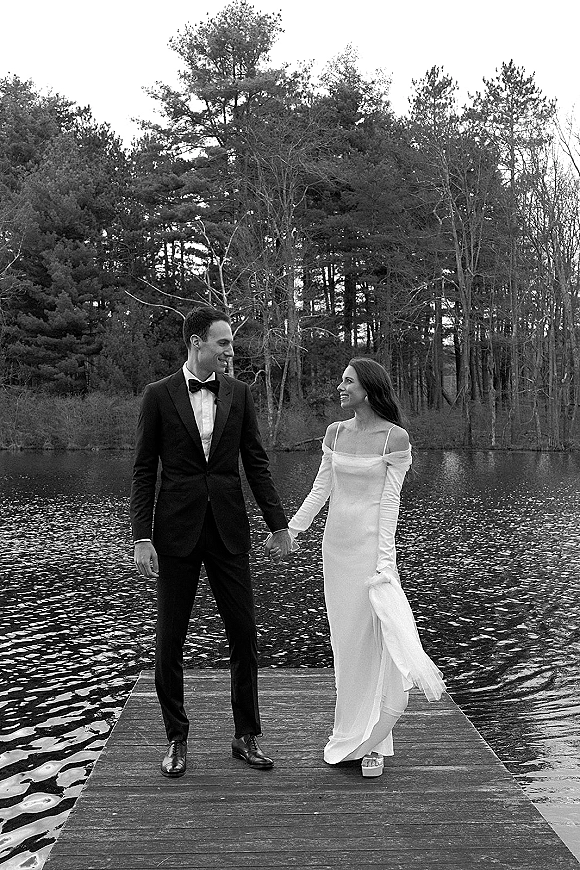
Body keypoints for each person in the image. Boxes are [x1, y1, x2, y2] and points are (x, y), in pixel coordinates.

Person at [130, 305, 292, 777]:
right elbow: (144, 470)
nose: (230, 351)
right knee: (170, 639)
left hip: (228, 530)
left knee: (243, 632)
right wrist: (142, 536)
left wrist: (277, 523)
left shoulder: (239, 395)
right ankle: (176, 739)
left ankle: (246, 736)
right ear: (196, 342)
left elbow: (255, 462)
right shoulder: (157, 396)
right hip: (174, 532)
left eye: (230, 344)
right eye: (222, 343)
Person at [273, 358, 444, 777]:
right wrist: (292, 530)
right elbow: (321, 489)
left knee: (376, 645)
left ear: (368, 388)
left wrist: (386, 562)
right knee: (347, 647)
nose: (339, 387)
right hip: (337, 551)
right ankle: (348, 732)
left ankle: (374, 744)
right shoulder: (334, 432)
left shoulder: (394, 438)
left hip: (372, 553)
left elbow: (390, 504)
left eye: (347, 381)